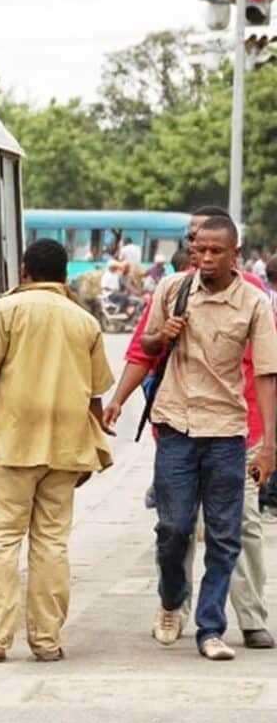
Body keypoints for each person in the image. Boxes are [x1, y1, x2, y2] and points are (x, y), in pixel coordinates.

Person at [106, 211, 277, 651]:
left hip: (231, 432)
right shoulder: (172, 289)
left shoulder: (254, 302)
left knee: (231, 534)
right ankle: (172, 600)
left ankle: (213, 627)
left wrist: (269, 445)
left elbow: (266, 373)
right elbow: (143, 348)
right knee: (174, 528)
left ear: (235, 254)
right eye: (196, 248)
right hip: (176, 428)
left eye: (214, 251)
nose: (203, 257)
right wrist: (119, 397)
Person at [0, 238, 114, 663]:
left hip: (12, 445)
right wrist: (95, 447)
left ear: (24, 271)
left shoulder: (5, 311)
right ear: (65, 275)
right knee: (52, 543)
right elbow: (95, 396)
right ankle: (47, 640)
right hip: (64, 448)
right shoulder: (84, 322)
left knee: (2, 539)